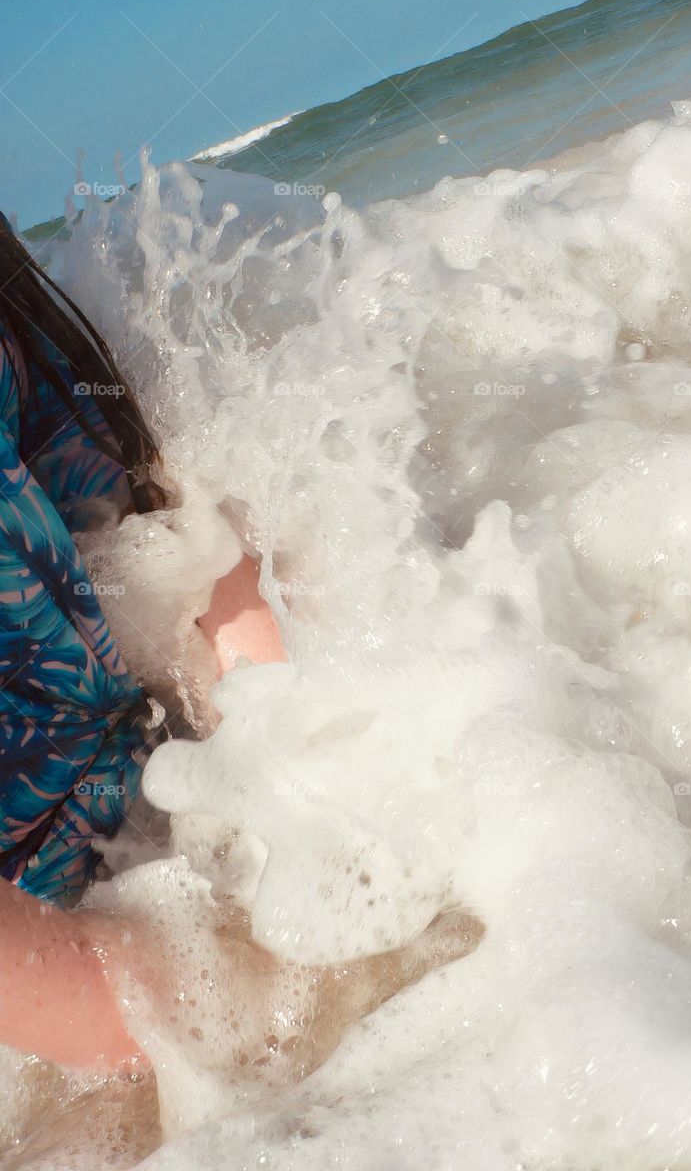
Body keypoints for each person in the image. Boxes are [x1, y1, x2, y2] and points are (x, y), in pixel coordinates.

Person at [0, 214, 442, 1074]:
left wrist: (298, 748)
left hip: (121, 824)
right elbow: (110, 1017)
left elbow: (152, 514)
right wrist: (206, 1032)